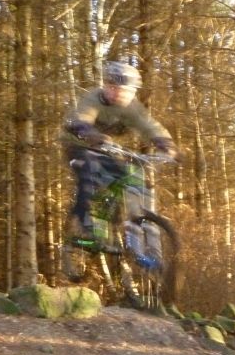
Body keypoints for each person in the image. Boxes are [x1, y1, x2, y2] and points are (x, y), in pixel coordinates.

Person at [61, 61, 176, 242]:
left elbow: (148, 125)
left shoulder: (132, 107)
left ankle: (112, 216)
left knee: (124, 174)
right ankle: (83, 221)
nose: (116, 93)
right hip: (77, 145)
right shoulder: (93, 99)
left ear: (131, 92)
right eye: (112, 88)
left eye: (122, 90)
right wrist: (89, 132)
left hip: (104, 148)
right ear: (105, 86)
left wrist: (166, 144)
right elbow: (80, 119)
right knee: (89, 172)